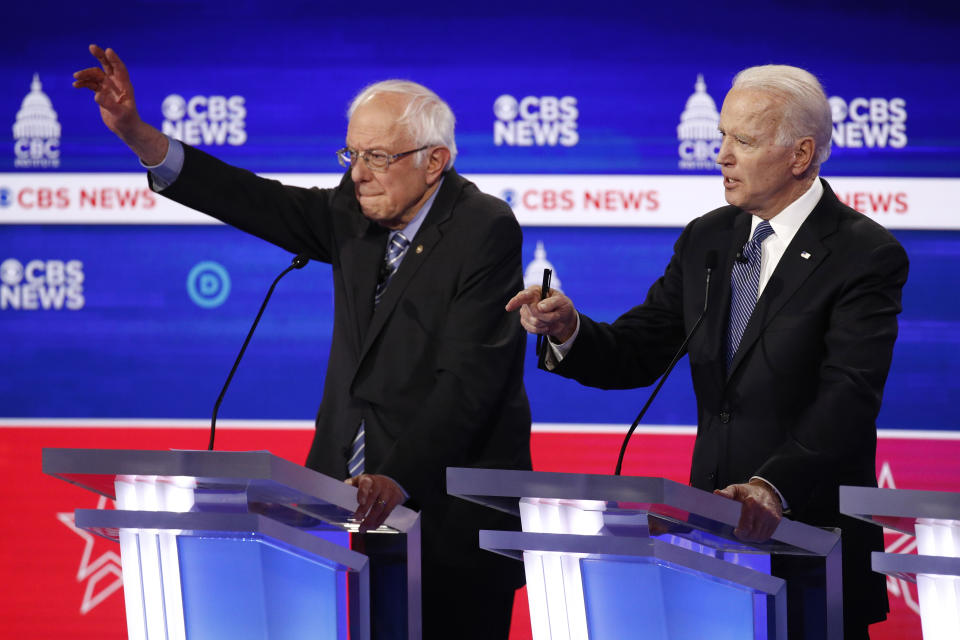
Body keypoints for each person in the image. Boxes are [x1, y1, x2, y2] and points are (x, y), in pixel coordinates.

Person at [75, 45, 531, 639]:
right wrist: (140, 136)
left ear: (434, 160)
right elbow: (256, 199)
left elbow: (469, 382)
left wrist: (397, 477)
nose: (357, 171)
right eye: (351, 153)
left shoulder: (483, 227)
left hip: (448, 521)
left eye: (376, 156)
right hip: (346, 512)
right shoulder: (355, 211)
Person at [507, 64, 907, 639]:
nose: (720, 154)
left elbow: (850, 394)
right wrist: (570, 330)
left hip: (812, 547)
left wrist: (770, 488)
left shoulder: (863, 253)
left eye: (741, 141)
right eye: (721, 135)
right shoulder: (708, 238)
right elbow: (641, 350)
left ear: (800, 155)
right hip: (711, 545)